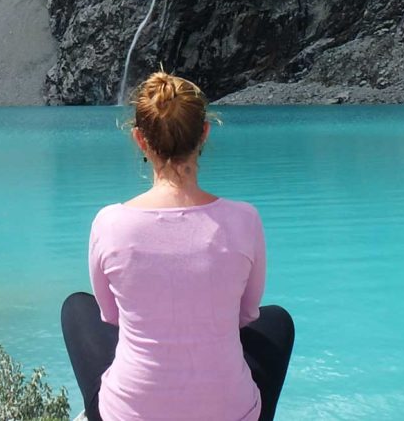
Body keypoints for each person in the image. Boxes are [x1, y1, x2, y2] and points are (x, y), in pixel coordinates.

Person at [61, 71, 294, 421]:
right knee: (277, 320)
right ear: (204, 133)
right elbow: (247, 316)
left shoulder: (109, 223)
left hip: (129, 414)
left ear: (140, 139)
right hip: (233, 414)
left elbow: (111, 318)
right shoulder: (245, 219)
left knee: (77, 308)